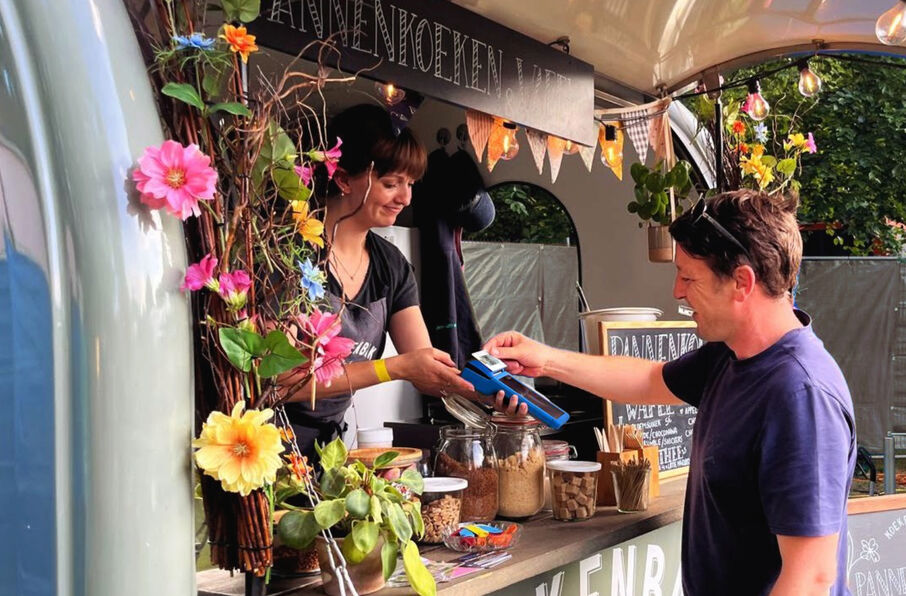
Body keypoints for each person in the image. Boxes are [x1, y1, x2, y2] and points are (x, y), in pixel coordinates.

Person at [485, 189, 856, 596]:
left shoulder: (800, 396)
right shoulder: (730, 354)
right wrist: (544, 359)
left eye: (689, 277)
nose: (677, 291)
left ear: (742, 282)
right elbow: (649, 380)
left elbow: (810, 577)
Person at [278, 104, 477, 459]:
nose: (406, 198)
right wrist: (392, 368)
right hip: (266, 445)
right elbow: (281, 381)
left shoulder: (391, 265)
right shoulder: (288, 254)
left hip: (330, 451)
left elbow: (424, 368)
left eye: (410, 184)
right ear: (343, 179)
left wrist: (491, 392)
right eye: (391, 183)